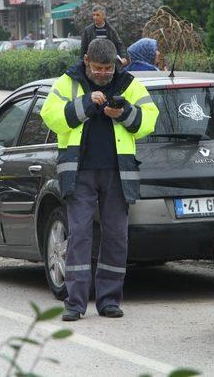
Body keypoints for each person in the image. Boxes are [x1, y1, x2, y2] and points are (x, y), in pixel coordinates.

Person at [40, 38, 159, 321]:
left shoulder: (129, 85)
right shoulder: (68, 83)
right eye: (98, 68)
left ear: (116, 63)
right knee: (80, 234)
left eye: (108, 68)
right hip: (79, 171)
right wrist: (85, 104)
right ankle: (75, 303)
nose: (104, 73)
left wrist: (124, 113)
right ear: (86, 62)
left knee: (116, 236)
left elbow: (149, 121)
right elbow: (50, 117)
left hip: (118, 172)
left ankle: (109, 301)